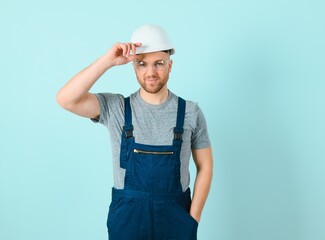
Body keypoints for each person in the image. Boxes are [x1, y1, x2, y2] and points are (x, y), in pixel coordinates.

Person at [56, 24, 213, 240]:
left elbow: (205, 166)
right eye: (142, 64)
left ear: (170, 65)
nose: (151, 72)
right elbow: (66, 99)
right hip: (127, 220)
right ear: (133, 67)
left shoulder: (190, 112)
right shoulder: (116, 108)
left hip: (177, 220)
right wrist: (107, 61)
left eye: (159, 63)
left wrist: (192, 220)